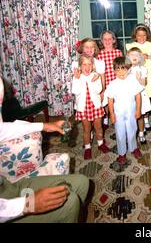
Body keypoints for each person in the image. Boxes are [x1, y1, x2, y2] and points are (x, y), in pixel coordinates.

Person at [0, 77, 89, 223]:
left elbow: (2, 129)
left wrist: (45, 126)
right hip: (7, 208)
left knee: (82, 182)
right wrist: (27, 204)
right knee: (70, 201)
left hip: (6, 187)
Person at [105, 57, 143, 164]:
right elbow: (110, 100)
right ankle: (121, 153)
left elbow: (138, 96)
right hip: (118, 114)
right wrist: (111, 114)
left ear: (128, 69)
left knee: (132, 130)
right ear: (114, 71)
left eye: (124, 69)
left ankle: (133, 148)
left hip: (131, 112)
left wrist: (138, 110)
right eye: (118, 69)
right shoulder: (112, 84)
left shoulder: (132, 81)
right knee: (120, 133)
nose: (121, 72)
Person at [72, 54, 110, 160]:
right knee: (86, 129)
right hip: (83, 108)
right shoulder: (77, 77)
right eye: (84, 64)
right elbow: (75, 91)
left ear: (92, 65)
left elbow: (98, 90)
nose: (87, 67)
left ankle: (100, 143)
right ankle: (88, 147)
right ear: (80, 66)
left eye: (89, 64)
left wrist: (95, 79)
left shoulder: (95, 75)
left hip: (96, 106)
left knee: (98, 127)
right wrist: (77, 79)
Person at [126, 24, 151, 132]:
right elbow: (127, 61)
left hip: (148, 71)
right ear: (135, 35)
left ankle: (146, 119)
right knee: (136, 96)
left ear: (147, 35)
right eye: (139, 35)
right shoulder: (131, 46)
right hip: (135, 73)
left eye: (144, 35)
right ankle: (137, 118)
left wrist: (147, 56)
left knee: (146, 96)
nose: (141, 38)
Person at [126, 47, 151, 144]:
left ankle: (141, 133)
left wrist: (139, 79)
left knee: (140, 115)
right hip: (130, 96)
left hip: (140, 95)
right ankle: (131, 133)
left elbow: (144, 83)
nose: (134, 57)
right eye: (132, 55)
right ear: (128, 57)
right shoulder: (126, 69)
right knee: (131, 116)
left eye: (137, 55)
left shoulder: (142, 69)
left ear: (140, 58)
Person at [97, 30, 123, 126]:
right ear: (102, 41)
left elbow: (122, 66)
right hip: (105, 81)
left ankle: (117, 116)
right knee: (106, 101)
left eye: (109, 39)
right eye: (105, 39)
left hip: (117, 81)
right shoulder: (99, 54)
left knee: (116, 101)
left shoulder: (118, 52)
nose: (107, 41)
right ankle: (106, 117)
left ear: (113, 40)